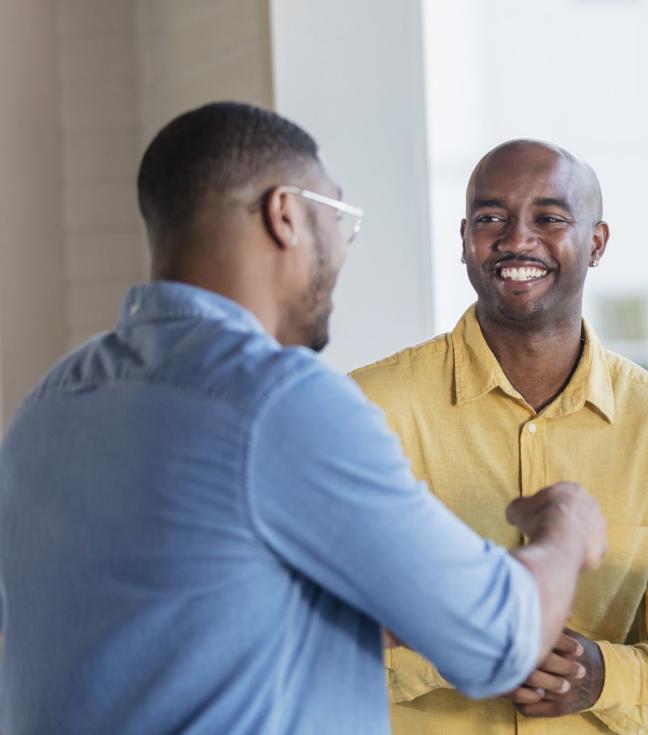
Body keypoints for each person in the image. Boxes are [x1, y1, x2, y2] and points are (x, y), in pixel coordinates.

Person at [0, 102, 605, 734]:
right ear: (284, 214)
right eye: (336, 218)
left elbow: (175, 623)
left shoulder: (49, 406)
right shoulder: (278, 402)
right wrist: (564, 529)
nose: (341, 253)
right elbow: (502, 640)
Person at [351, 139, 648, 734]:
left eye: (550, 218)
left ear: (596, 243)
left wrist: (605, 677)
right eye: (491, 219)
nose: (516, 240)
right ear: (464, 240)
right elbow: (300, 637)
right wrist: (467, 649)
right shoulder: (364, 413)